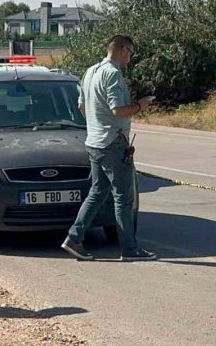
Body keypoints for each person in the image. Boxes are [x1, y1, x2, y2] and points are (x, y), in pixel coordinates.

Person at [61, 35, 157, 262]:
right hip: (113, 143)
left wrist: (97, 124)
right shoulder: (113, 73)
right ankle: (129, 248)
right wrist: (139, 106)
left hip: (95, 141)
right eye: (130, 53)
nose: (130, 59)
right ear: (123, 49)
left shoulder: (90, 71)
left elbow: (82, 106)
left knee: (98, 191)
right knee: (123, 196)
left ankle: (74, 238)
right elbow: (117, 110)